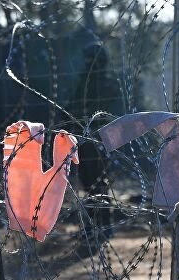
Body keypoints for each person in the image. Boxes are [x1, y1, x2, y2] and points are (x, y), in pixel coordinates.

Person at [68, 42, 124, 255]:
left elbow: (109, 113)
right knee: (89, 185)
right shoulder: (84, 83)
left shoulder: (106, 84)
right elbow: (73, 108)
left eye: (90, 60)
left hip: (100, 141)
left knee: (98, 185)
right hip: (84, 141)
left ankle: (102, 226)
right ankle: (93, 227)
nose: (87, 64)